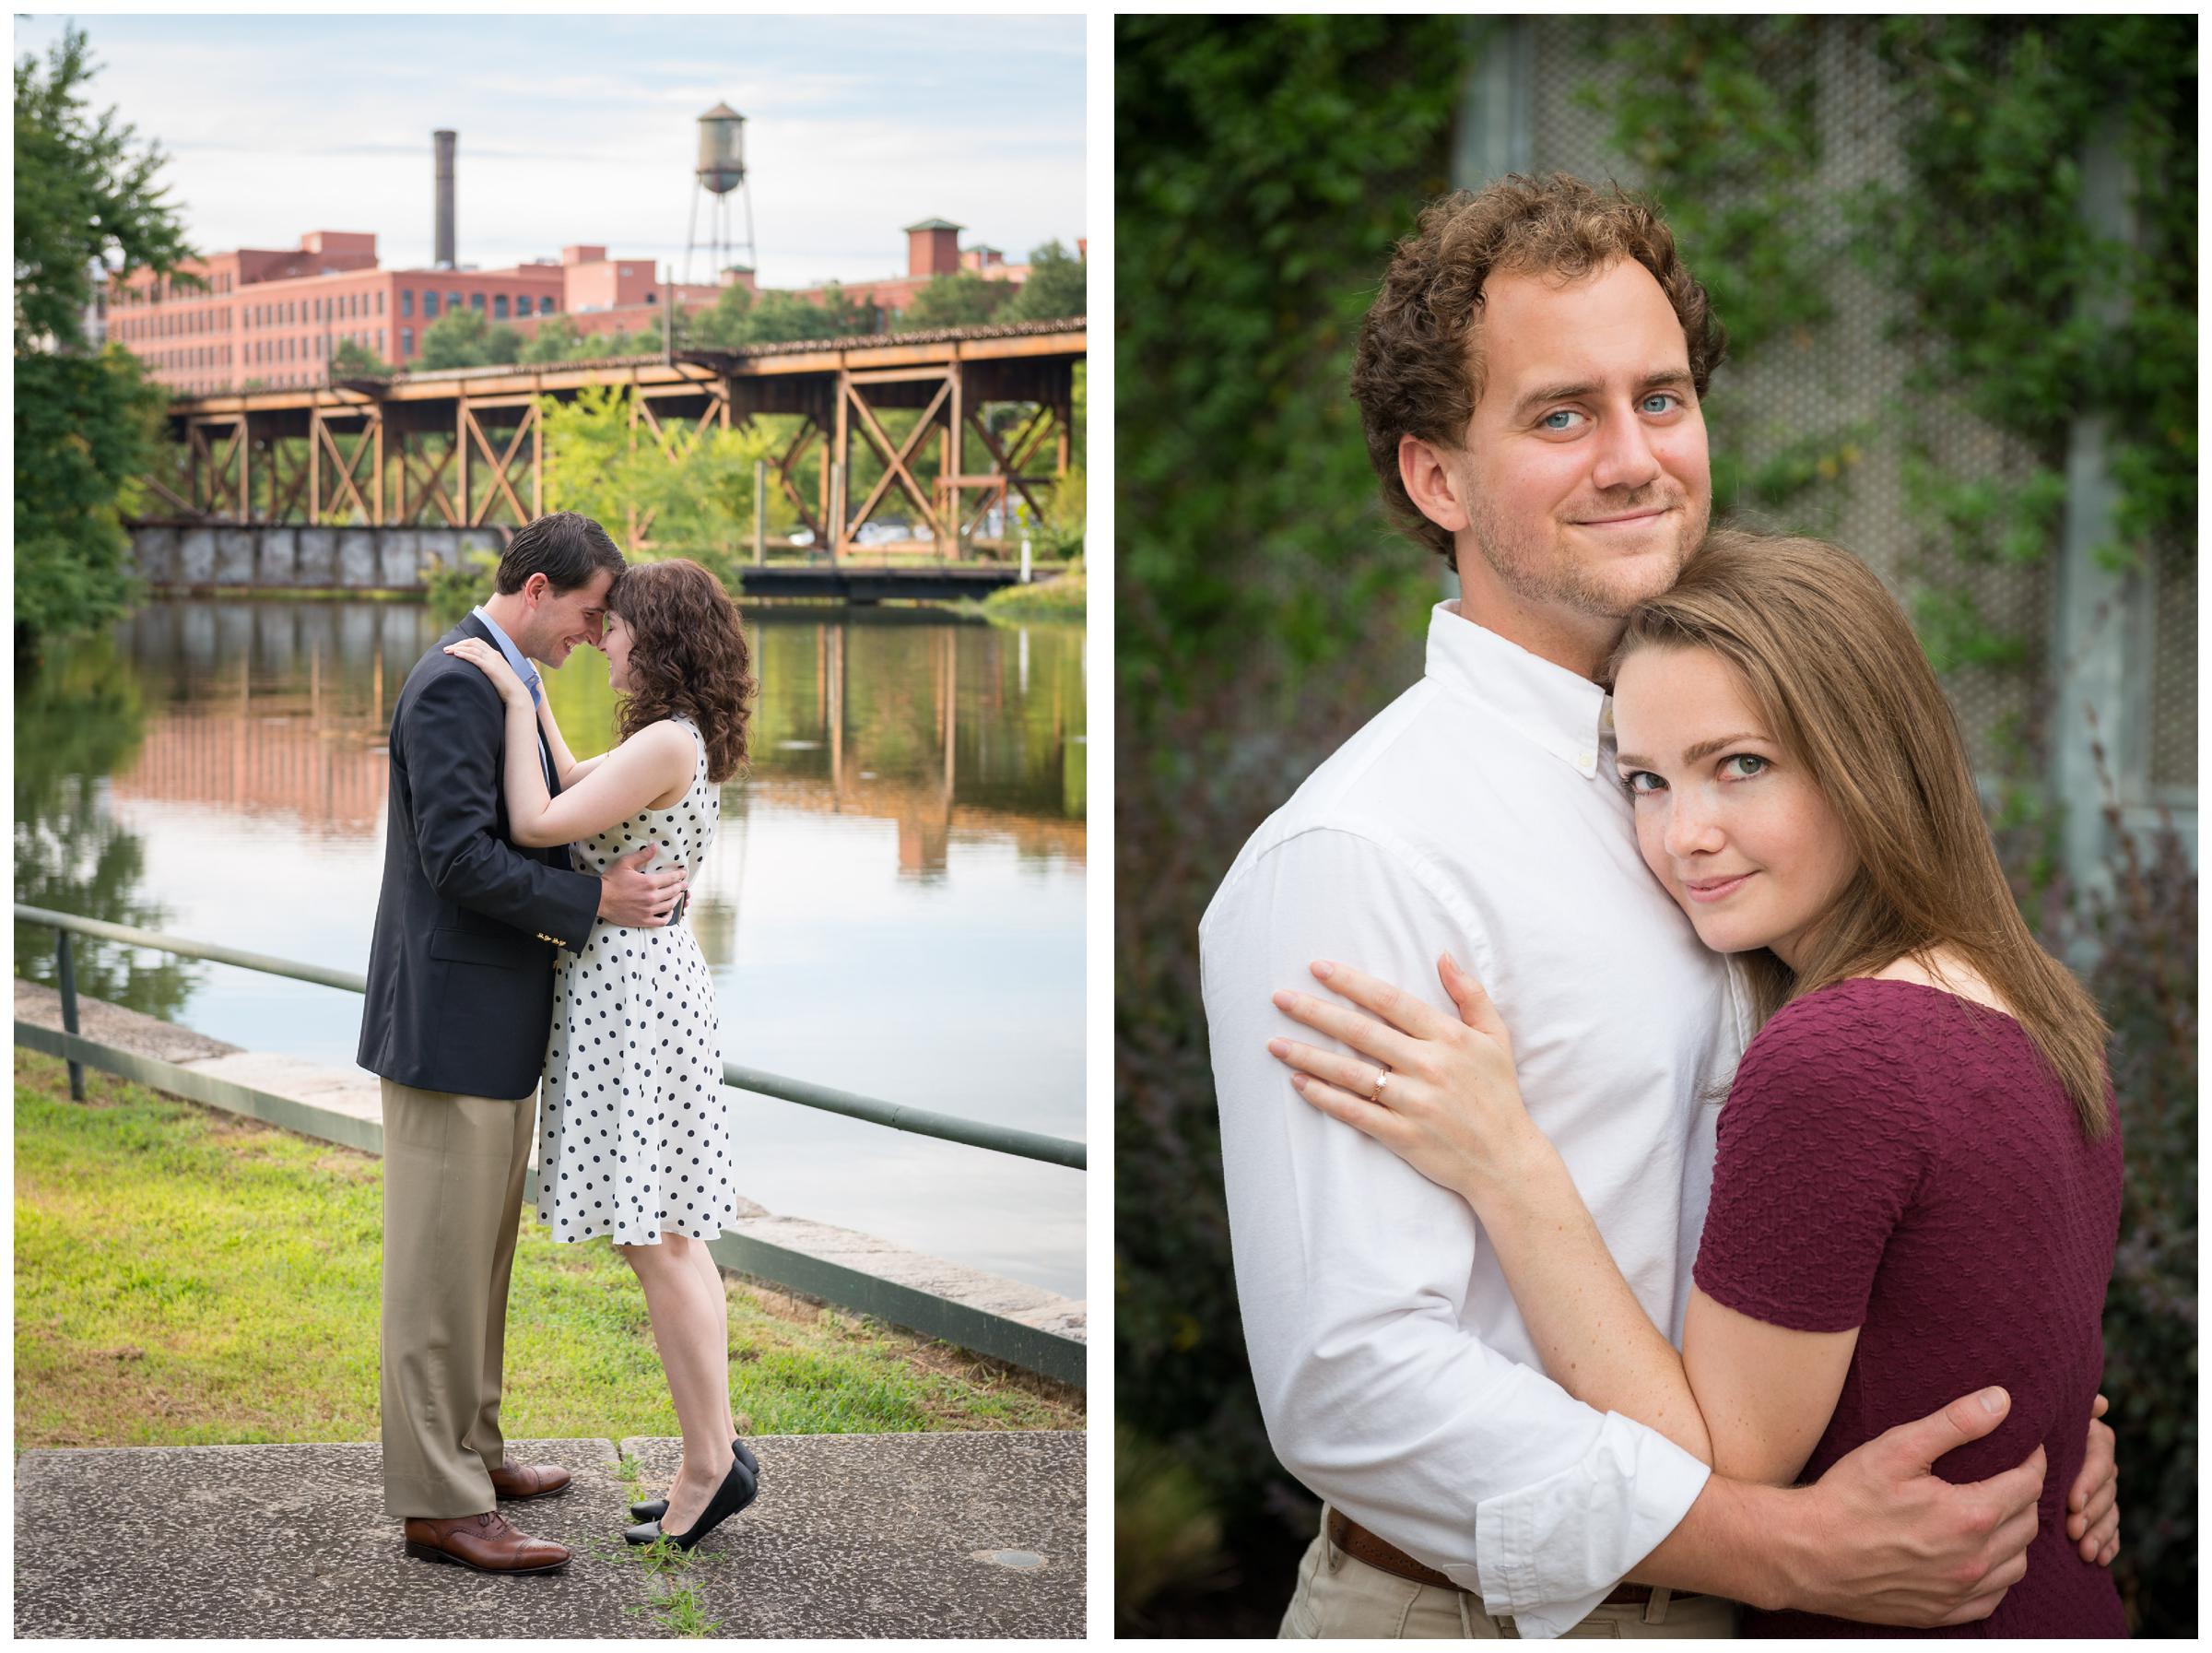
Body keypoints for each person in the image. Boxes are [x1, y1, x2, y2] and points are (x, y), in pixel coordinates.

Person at [1196, 175, 2119, 1638]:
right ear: (1438, 479)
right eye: (1562, 415)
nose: (1635, 458)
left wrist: (2025, 1397)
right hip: (1478, 1616)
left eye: (1665, 399)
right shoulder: (1364, 853)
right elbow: (1355, 1381)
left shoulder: (1760, 783)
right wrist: (1774, 1549)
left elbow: (1896, 1175)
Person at [1266, 529, 2127, 1636]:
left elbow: (1716, 1460)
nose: (1685, 835)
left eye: (1742, 765)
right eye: (1645, 779)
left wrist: (1509, 1162)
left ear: (1872, 759)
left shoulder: (1841, 1056)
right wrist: (2068, 1428)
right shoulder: (2034, 1000)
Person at [359, 511, 688, 1574]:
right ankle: (438, 1503)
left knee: (479, 1264)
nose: (595, 637)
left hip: (493, 1021)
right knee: (434, 1275)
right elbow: (456, 859)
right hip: (450, 1024)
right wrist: (593, 896)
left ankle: (475, 1453)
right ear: (539, 588)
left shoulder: (509, 680)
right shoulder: (458, 682)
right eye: (591, 614)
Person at [443, 555, 760, 1555]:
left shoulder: (665, 741)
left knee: (656, 1239)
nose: (603, 640)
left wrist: (503, 698)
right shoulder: (670, 740)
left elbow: (538, 816)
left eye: (616, 628)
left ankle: (709, 1464)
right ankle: (716, 1451)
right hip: (644, 984)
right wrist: (523, 688)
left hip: (633, 995)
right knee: (671, 1235)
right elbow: (576, 779)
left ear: (656, 640)